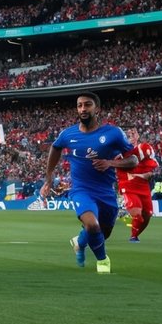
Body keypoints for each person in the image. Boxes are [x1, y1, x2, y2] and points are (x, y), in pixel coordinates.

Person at [41, 92, 138, 274]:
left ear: (97, 109)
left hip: (106, 191)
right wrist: (49, 177)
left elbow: (133, 160)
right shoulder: (68, 134)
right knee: (93, 225)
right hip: (81, 190)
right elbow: (55, 148)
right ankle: (103, 260)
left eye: (87, 105)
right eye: (79, 105)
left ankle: (80, 242)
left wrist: (110, 163)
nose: (83, 109)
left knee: (103, 232)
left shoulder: (113, 133)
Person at [117, 128, 158, 243]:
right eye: (128, 134)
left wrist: (144, 175)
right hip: (127, 184)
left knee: (147, 215)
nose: (131, 135)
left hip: (143, 186)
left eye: (133, 133)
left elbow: (150, 171)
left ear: (138, 135)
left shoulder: (145, 148)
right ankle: (133, 237)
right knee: (137, 214)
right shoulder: (117, 151)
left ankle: (135, 235)